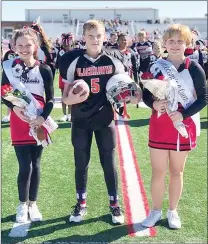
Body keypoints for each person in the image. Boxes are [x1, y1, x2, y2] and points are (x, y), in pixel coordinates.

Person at [59, 20, 126, 224]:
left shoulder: (114, 58)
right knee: (81, 163)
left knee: (109, 162)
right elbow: (65, 96)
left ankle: (114, 204)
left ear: (104, 36)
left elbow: (124, 88)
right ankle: (81, 203)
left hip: (105, 118)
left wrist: (128, 97)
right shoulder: (72, 59)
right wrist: (72, 99)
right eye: (90, 36)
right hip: (80, 119)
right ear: (83, 37)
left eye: (98, 36)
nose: (95, 39)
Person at [141, 24, 207, 229]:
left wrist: (183, 113)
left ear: (187, 44)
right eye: (171, 41)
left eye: (180, 41)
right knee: (158, 171)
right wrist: (153, 103)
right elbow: (145, 93)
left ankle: (172, 211)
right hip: (160, 124)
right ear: (165, 43)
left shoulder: (193, 67)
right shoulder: (155, 65)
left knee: (176, 171)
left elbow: (204, 98)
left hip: (182, 125)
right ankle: (155, 210)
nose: (176, 45)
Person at [1, 27, 54, 223]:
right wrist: (13, 109)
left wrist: (42, 118)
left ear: (35, 46)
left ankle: (33, 203)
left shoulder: (45, 69)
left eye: (28, 45)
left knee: (36, 165)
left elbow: (50, 100)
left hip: (38, 122)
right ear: (14, 47)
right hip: (19, 122)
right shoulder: (8, 68)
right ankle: (22, 204)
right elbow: (3, 94)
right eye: (20, 45)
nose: (24, 49)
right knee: (25, 166)